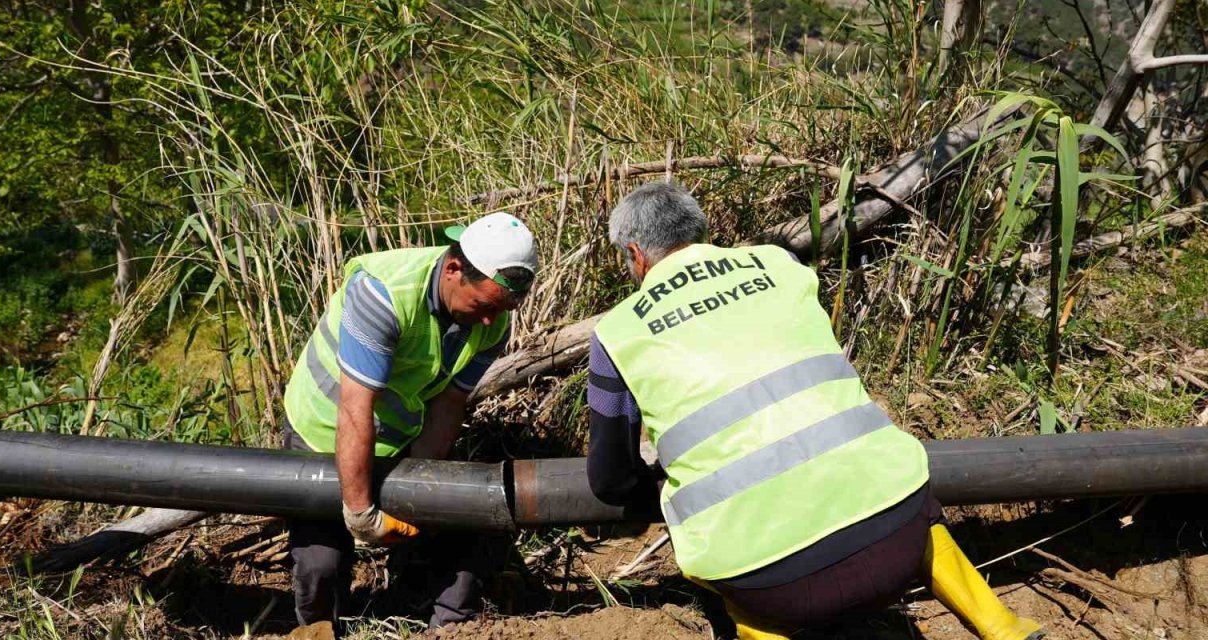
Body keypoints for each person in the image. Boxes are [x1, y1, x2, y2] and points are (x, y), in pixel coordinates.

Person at [585, 182, 1044, 640]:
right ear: (700, 229)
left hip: (774, 586)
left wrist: (665, 490)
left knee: (734, 588)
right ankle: (1003, 625)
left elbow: (609, 480)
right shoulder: (776, 262)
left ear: (635, 253)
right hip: (898, 539)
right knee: (905, 489)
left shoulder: (617, 332)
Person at [281, 211, 538, 631]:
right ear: (454, 269)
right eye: (484, 306)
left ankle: (449, 626)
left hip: (400, 436)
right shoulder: (382, 293)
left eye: (502, 308)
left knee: (458, 533)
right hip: (326, 432)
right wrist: (362, 511)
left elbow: (450, 405)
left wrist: (422, 485)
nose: (492, 321)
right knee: (321, 564)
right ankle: (318, 630)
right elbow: (355, 408)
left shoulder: (493, 316)